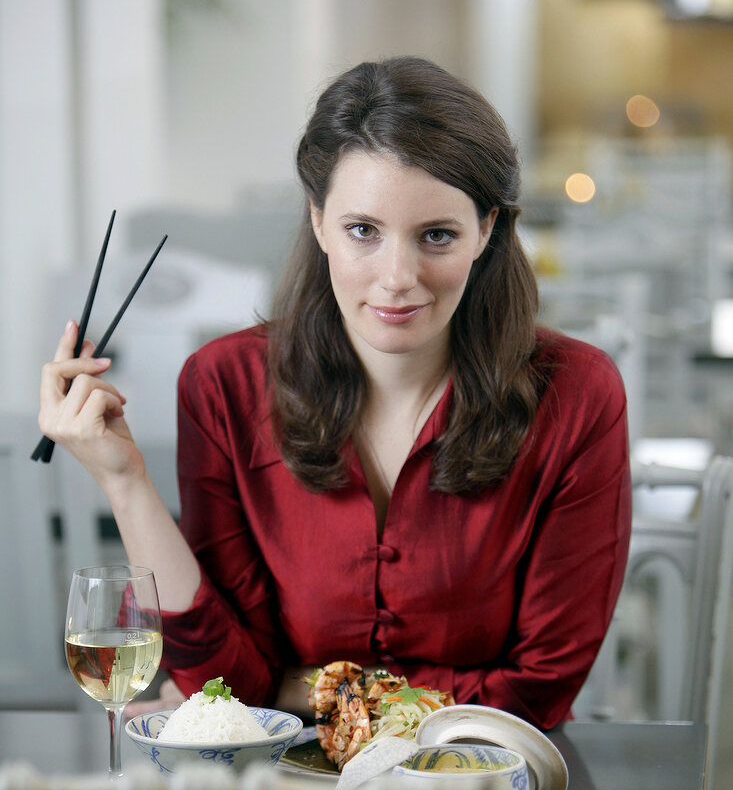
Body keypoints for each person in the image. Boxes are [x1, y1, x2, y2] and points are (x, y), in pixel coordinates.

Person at [39, 55, 631, 730]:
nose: (397, 277)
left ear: (486, 230)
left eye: (436, 236)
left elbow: (538, 690)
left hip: (478, 788)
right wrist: (124, 482)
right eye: (363, 231)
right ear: (319, 221)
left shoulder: (577, 393)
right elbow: (226, 684)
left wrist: (300, 689)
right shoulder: (223, 386)